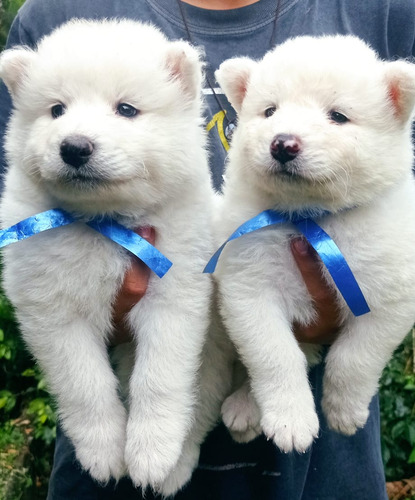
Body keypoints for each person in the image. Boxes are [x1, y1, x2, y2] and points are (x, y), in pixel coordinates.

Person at [1, 0, 414, 498]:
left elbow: (185, 303)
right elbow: (52, 309)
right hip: (101, 469)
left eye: (126, 109)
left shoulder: (387, 13)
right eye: (57, 110)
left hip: (323, 473)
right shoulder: (52, 15)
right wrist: (93, 412)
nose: (75, 135)